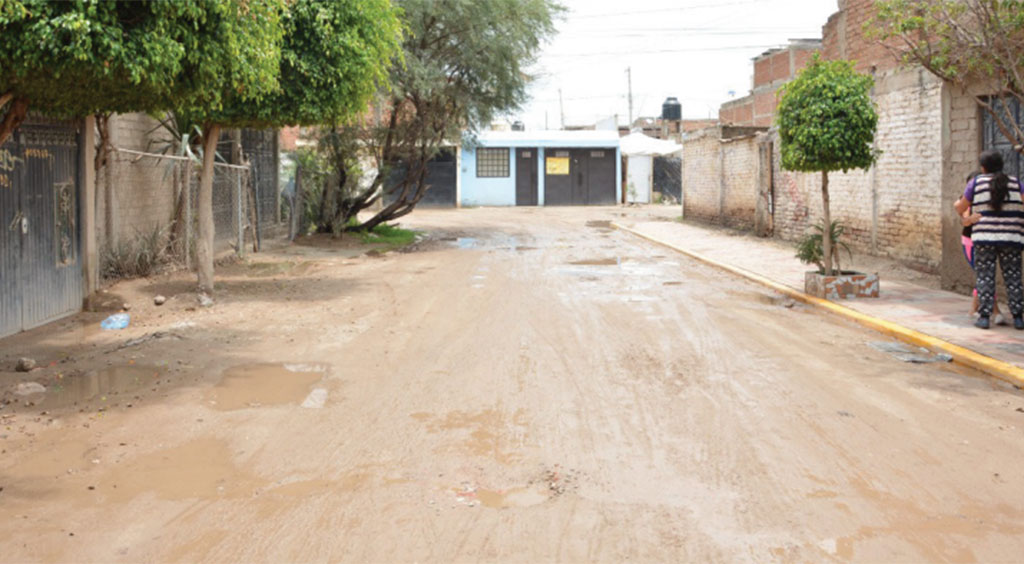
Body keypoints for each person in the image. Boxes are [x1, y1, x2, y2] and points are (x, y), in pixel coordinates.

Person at [954, 150, 1024, 330]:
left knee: (985, 277)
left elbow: (961, 206)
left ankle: (984, 318)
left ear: (983, 167)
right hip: (1012, 237)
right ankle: (1018, 317)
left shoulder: (976, 183)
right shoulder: (1016, 182)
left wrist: (962, 209)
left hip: (984, 237)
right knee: (1014, 277)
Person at [956, 171, 1005, 324]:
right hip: (970, 242)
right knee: (983, 275)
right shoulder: (964, 202)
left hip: (988, 242)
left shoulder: (990, 201)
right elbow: (963, 221)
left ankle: (977, 309)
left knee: (984, 276)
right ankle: (993, 310)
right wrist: (970, 219)